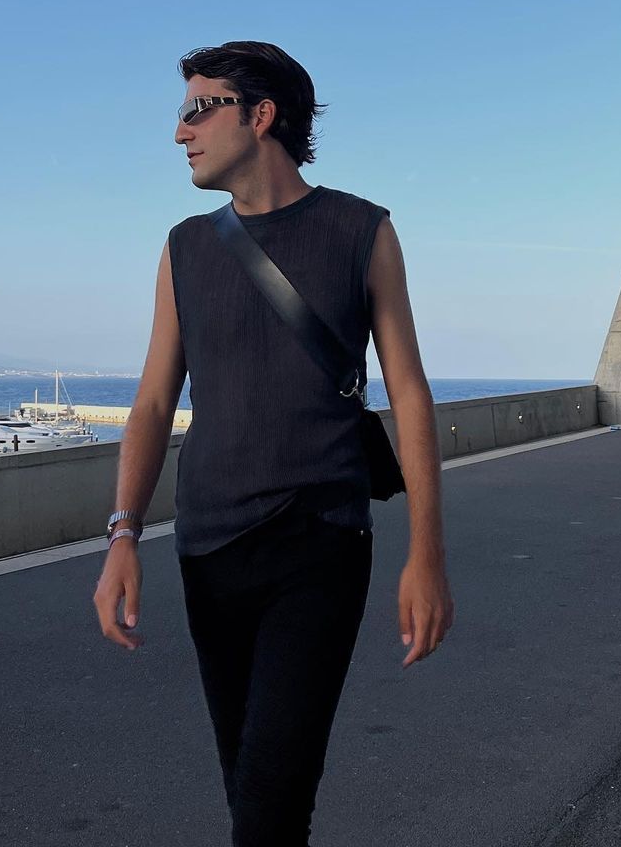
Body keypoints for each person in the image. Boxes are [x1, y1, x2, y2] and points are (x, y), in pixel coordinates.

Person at [94, 41, 454, 846]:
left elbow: (410, 394)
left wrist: (426, 554)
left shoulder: (361, 230)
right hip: (208, 546)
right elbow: (152, 402)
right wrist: (123, 535)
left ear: (260, 116)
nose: (180, 132)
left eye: (198, 110)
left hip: (318, 539)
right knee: (249, 785)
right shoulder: (186, 248)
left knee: (270, 796)